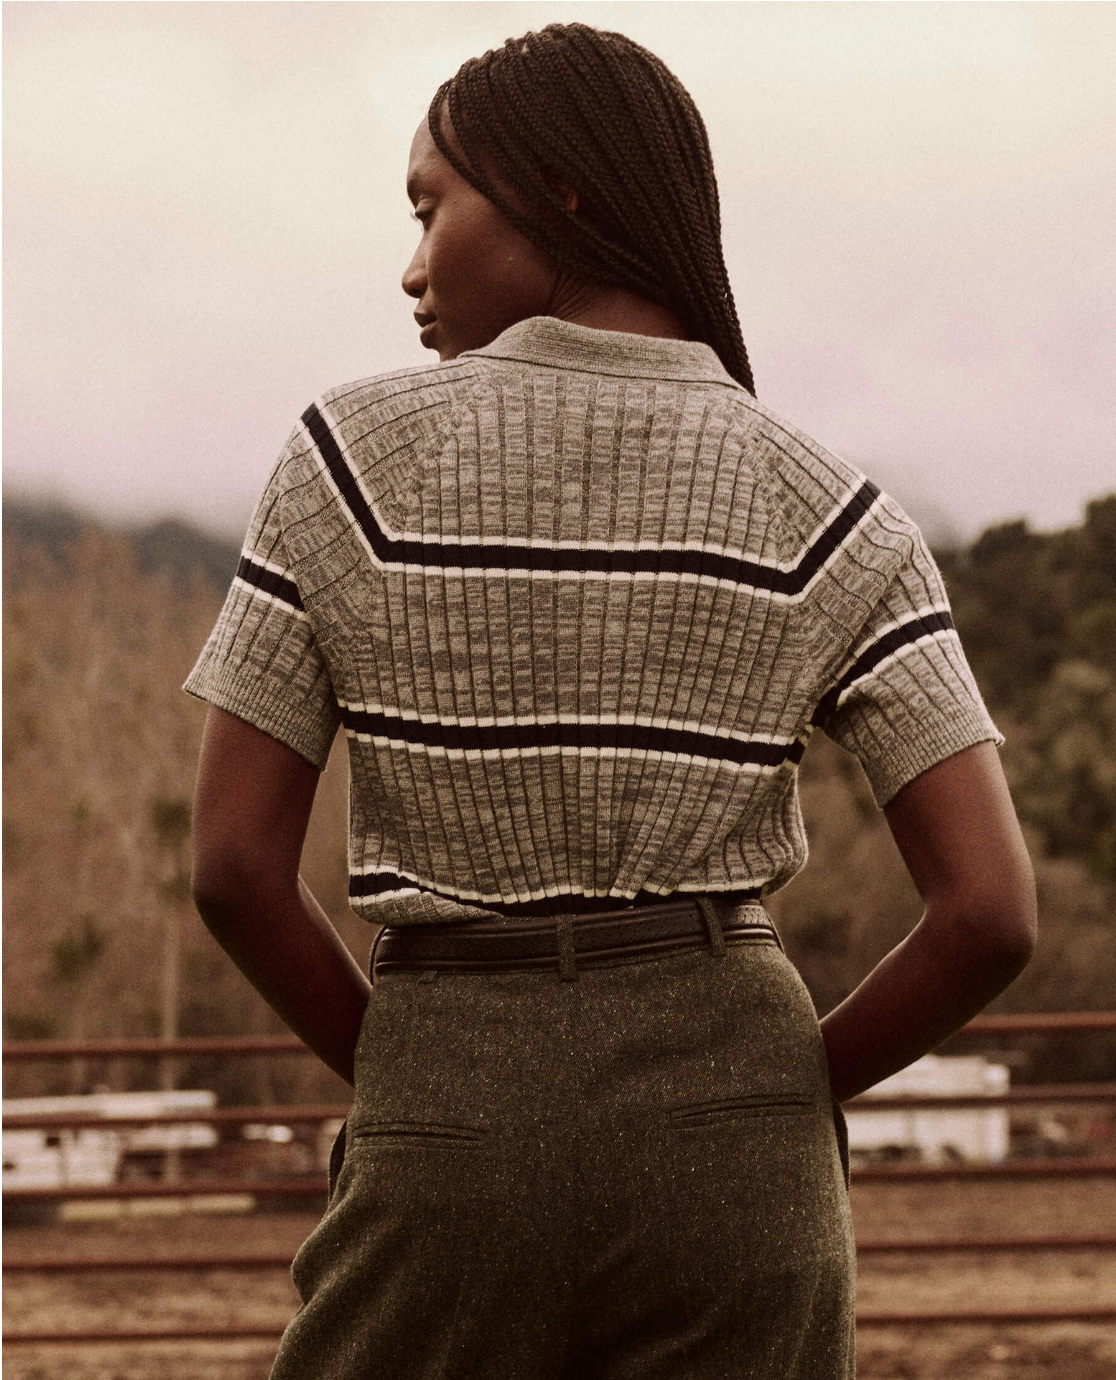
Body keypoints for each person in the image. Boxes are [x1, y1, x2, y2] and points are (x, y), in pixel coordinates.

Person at [187, 23, 1036, 1379]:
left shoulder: (349, 463)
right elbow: (991, 914)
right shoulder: (838, 511)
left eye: (429, 204)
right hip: (741, 1140)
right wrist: (780, 1091)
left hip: (448, 1104)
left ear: (558, 190)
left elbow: (233, 869)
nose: (411, 264)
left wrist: (423, 1077)